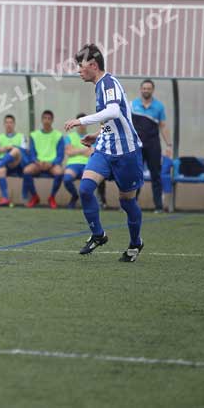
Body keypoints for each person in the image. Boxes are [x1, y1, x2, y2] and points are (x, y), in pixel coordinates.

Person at [65, 44, 144, 262]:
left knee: (127, 202)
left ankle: (135, 243)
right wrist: (97, 134)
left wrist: (81, 121)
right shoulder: (99, 85)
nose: (78, 70)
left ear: (93, 65)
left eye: (80, 66)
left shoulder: (109, 83)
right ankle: (98, 234)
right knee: (85, 189)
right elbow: (111, 120)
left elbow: (114, 111)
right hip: (105, 148)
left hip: (126, 152)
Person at [131, 79, 172, 212]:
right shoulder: (133, 105)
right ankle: (131, 204)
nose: (146, 90)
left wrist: (169, 145)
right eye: (144, 88)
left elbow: (163, 126)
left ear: (152, 90)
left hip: (153, 145)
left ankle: (158, 206)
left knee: (156, 175)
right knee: (135, 175)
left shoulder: (159, 106)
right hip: (137, 146)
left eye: (149, 88)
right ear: (141, 89)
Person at [23, 110, 65, 209]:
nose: (47, 121)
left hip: (52, 164)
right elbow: (32, 153)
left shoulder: (58, 135)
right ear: (41, 120)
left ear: (52, 120)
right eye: (45, 118)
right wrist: (37, 162)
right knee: (26, 171)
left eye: (49, 119)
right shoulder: (34, 135)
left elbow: (60, 155)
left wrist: (52, 163)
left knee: (59, 172)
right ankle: (34, 197)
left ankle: (52, 197)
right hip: (38, 163)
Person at [0, 114, 28, 207]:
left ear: (14, 124)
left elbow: (25, 152)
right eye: (7, 123)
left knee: (16, 150)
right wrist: (3, 149)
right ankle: (5, 198)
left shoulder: (21, 136)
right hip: (5, 165)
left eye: (11, 122)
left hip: (18, 164)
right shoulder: (0, 137)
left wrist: (12, 147)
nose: (9, 125)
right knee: (1, 170)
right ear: (4, 124)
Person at [63, 113, 92, 209]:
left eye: (84, 122)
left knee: (89, 182)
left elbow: (92, 153)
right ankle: (74, 196)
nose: (82, 125)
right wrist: (84, 150)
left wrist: (75, 150)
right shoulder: (69, 137)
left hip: (88, 164)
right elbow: (69, 152)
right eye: (80, 122)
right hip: (73, 165)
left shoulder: (91, 137)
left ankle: (88, 203)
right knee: (67, 179)